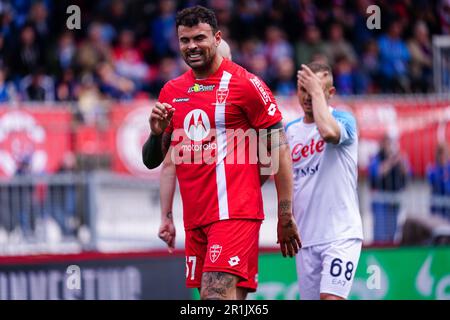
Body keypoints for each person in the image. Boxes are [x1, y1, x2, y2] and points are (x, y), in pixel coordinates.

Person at [142, 6, 300, 300]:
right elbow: (154, 161)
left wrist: (285, 214)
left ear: (216, 38)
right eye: (185, 40)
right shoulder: (171, 91)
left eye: (199, 38)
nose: (191, 47)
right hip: (196, 221)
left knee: (213, 299)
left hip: (234, 215)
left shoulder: (246, 85)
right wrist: (155, 132)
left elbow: (279, 150)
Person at [285, 62, 363, 300]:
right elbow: (283, 178)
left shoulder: (344, 120)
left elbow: (329, 133)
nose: (308, 96)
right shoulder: (290, 130)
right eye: (303, 89)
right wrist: (284, 216)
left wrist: (318, 94)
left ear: (330, 93)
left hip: (341, 235)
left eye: (315, 90)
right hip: (306, 240)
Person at [368, 134, 410, 244]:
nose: (389, 147)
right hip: (381, 201)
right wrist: (391, 161)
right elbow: (377, 172)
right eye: (386, 144)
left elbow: (407, 172)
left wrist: (400, 161)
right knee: (380, 232)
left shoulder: (398, 158)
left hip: (394, 200)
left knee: (393, 231)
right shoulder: (376, 158)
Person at [427, 143, 450, 220]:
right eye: (441, 154)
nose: (443, 157)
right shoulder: (432, 169)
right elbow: (433, 182)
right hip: (437, 208)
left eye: (445, 154)